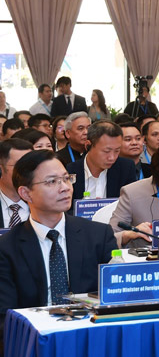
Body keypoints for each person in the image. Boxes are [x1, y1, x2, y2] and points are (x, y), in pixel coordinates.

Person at [0, 150, 116, 319]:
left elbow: (113, 297)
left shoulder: (98, 235)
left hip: (89, 331)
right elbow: (5, 315)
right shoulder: (7, 248)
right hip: (38, 336)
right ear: (26, 193)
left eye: (67, 178)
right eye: (52, 181)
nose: (65, 188)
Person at [66, 120, 137, 206]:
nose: (112, 157)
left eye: (117, 151)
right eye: (106, 151)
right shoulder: (70, 170)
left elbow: (130, 207)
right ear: (88, 145)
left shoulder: (126, 168)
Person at [0, 139, 33, 228]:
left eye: (31, 166)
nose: (27, 171)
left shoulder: (45, 203)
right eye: (19, 165)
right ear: (1, 169)